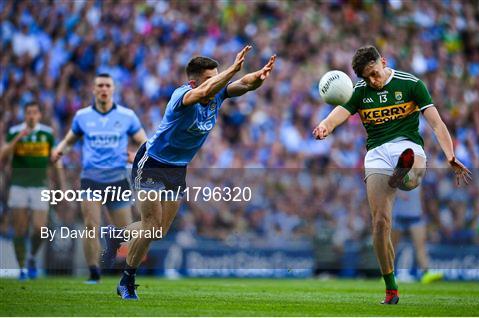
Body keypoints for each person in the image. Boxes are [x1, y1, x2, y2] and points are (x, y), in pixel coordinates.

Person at [102, 45, 276, 300]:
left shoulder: (216, 93)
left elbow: (245, 84)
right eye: (209, 78)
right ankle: (126, 281)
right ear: (193, 82)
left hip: (177, 168)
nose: (215, 82)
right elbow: (209, 88)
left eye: (216, 76)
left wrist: (259, 76)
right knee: (150, 226)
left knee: (159, 231)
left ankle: (115, 234)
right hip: (153, 162)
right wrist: (231, 70)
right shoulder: (182, 96)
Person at [313, 46, 471, 304]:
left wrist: (450, 155)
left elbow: (436, 123)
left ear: (383, 62)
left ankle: (402, 173)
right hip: (377, 152)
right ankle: (391, 287)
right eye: (367, 77)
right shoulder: (360, 92)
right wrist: (324, 126)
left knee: (413, 178)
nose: (372, 81)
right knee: (380, 223)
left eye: (375, 73)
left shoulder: (411, 84)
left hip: (407, 146)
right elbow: (339, 113)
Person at [51, 73, 147, 283]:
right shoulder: (82, 116)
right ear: (94, 90)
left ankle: (127, 270)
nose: (103, 89)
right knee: (91, 225)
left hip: (117, 178)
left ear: (113, 90)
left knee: (126, 232)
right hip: (91, 178)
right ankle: (94, 273)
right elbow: (69, 141)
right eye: (100, 86)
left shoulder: (127, 115)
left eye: (107, 85)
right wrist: (60, 150)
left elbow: (144, 142)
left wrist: (135, 155)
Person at [0, 102, 57, 280]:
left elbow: (53, 159)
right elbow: (3, 155)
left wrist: (58, 182)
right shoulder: (15, 131)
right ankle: (22, 267)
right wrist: (18, 138)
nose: (31, 116)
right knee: (19, 230)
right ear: (25, 115)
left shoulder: (47, 134)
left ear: (39, 115)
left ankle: (31, 257)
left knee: (40, 228)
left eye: (34, 112)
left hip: (40, 185)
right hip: (18, 185)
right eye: (28, 113)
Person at [391, 187, 443, 283]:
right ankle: (389, 275)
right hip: (399, 216)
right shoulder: (395, 172)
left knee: (421, 246)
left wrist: (421, 209)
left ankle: (426, 273)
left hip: (415, 215)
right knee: (392, 247)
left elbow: (420, 194)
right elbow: (389, 187)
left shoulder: (418, 173)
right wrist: (398, 193)